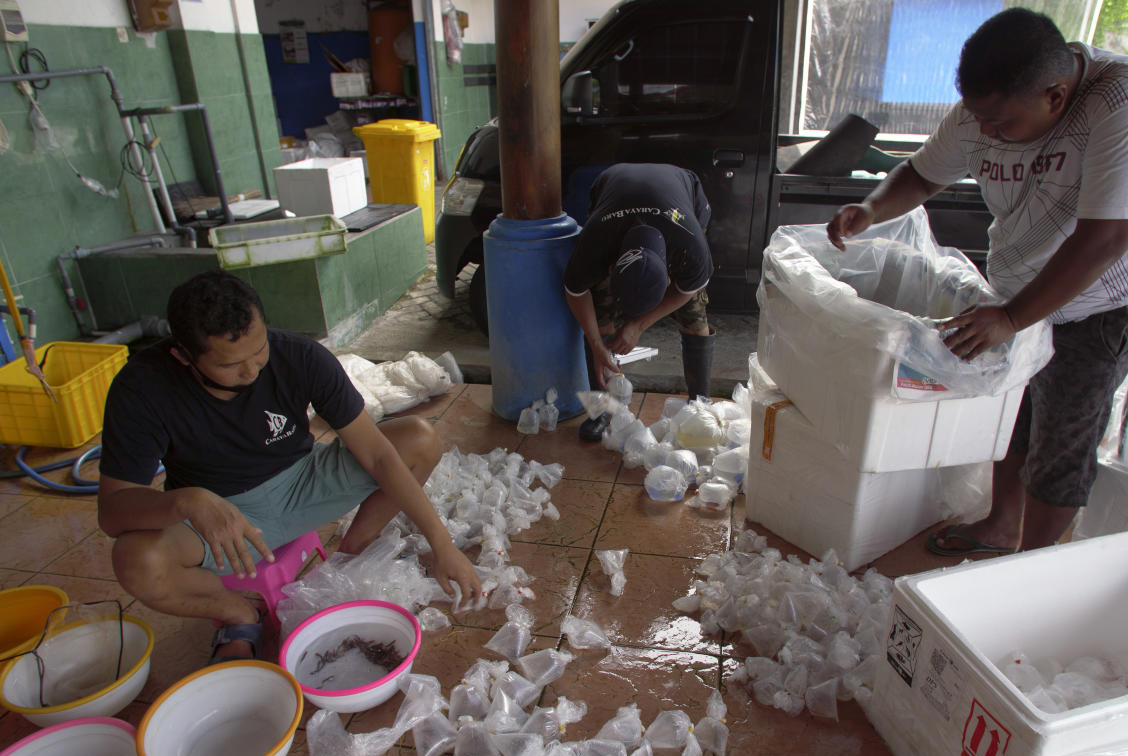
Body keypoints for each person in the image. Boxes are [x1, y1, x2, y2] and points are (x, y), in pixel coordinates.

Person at [827, 8, 1128, 555]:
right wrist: (871, 209)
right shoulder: (986, 107)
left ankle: (1029, 564)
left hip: (1104, 298)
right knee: (1017, 407)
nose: (985, 134)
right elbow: (922, 173)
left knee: (1063, 433)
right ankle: (1000, 525)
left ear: (1055, 97)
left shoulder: (1127, 100)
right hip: (1019, 286)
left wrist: (1012, 319)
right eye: (979, 119)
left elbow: (1105, 239)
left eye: (1001, 124)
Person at [98, 270, 483, 663]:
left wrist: (442, 544)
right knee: (136, 559)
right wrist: (188, 502)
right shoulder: (142, 389)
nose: (252, 371)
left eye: (259, 350)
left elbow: (379, 455)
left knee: (418, 438)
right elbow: (113, 513)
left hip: (304, 483)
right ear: (183, 356)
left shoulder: (300, 356)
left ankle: (355, 548)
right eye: (231, 365)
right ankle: (238, 614)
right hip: (219, 517)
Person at [563, 163, 714, 440]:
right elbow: (576, 292)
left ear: (669, 276)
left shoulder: (690, 248)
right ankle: (602, 409)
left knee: (695, 316)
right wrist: (596, 343)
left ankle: (699, 407)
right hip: (612, 189)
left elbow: (690, 288)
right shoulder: (595, 243)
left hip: (682, 197)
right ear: (611, 269)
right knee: (601, 314)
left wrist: (638, 326)